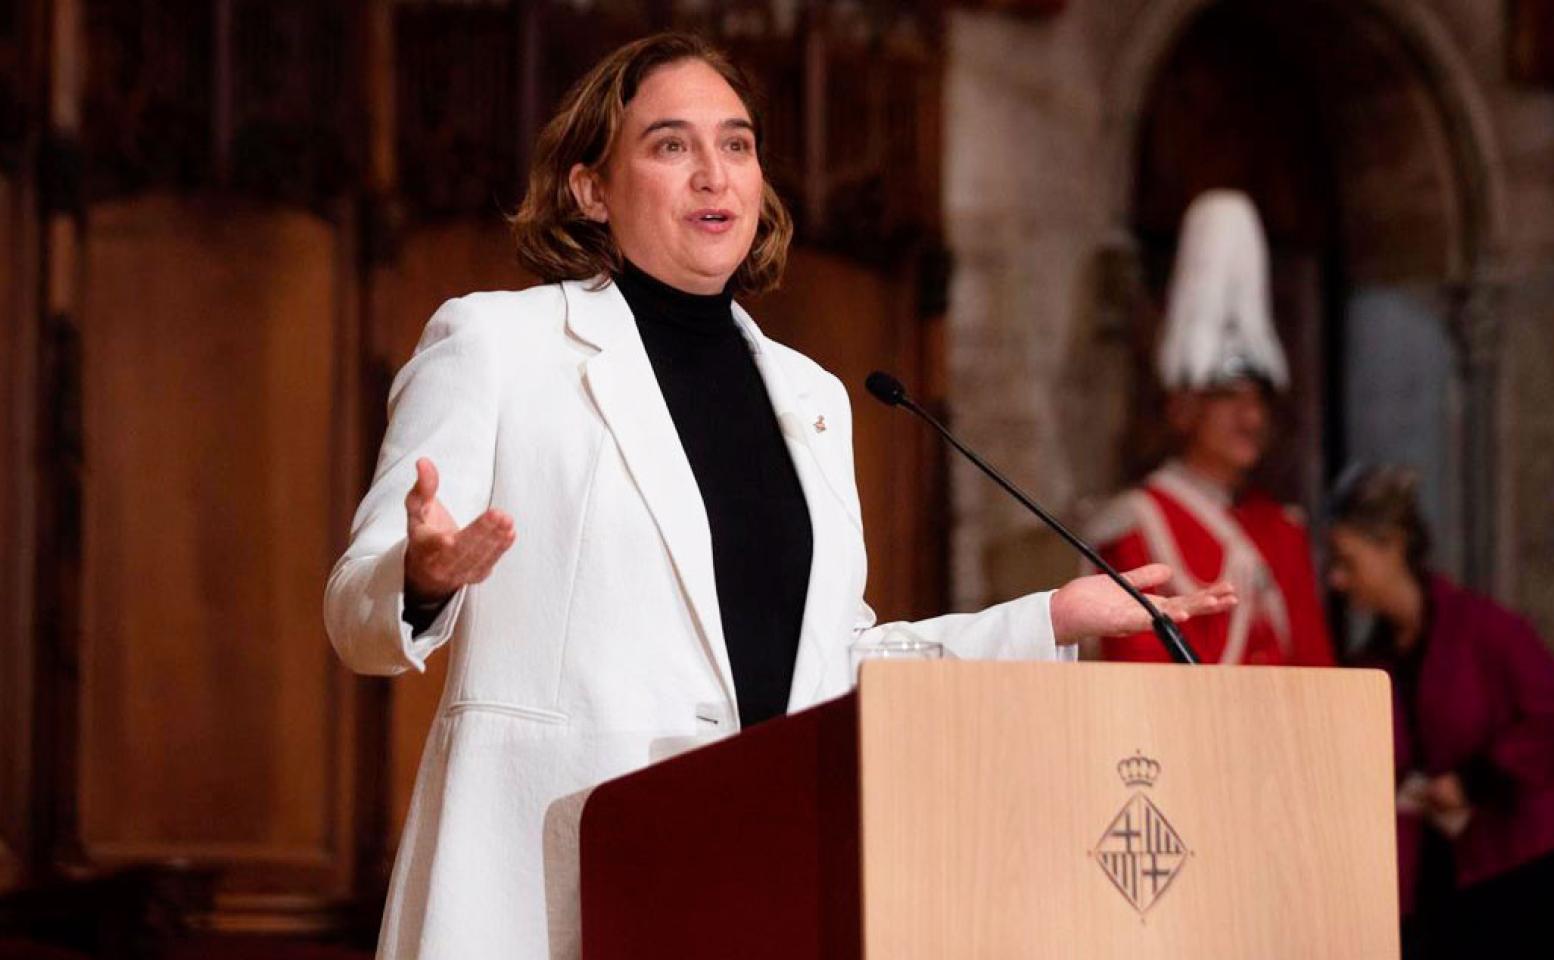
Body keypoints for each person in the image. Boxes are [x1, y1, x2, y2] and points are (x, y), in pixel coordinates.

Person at [322, 33, 1235, 960]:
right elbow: (354, 613)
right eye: (671, 145)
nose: (713, 174)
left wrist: (1048, 618)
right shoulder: (499, 346)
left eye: (737, 144)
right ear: (591, 188)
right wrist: (421, 578)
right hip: (555, 885)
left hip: (751, 879)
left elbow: (831, 667)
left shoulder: (814, 398)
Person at [1326, 464, 1554, 960]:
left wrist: (1472, 781)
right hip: (1455, 862)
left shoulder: (1483, 627)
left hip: (1528, 850)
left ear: (1392, 547)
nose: (1338, 579)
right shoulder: (1372, 659)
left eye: (1348, 560)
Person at [1085, 191, 1332, 666]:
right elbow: (1137, 673)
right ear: (1184, 409)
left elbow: (1316, 666)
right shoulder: (1139, 525)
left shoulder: (1281, 529)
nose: (1251, 418)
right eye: (1229, 399)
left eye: (1257, 401)